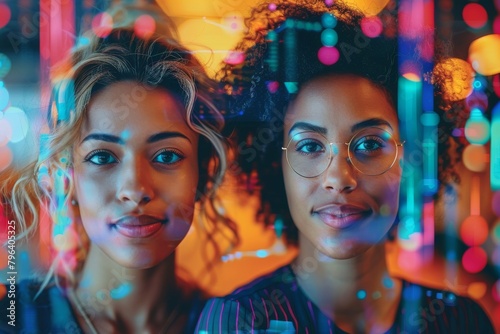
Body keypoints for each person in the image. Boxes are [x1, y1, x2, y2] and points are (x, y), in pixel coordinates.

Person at [195, 0, 495, 333]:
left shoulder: (461, 321)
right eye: (309, 146)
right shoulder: (242, 322)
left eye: (369, 144)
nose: (339, 177)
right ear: (275, 164)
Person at [0, 26, 237, 333]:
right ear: (68, 176)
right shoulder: (13, 319)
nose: (135, 189)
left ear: (203, 173)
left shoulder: (232, 324)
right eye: (102, 157)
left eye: (166, 156)